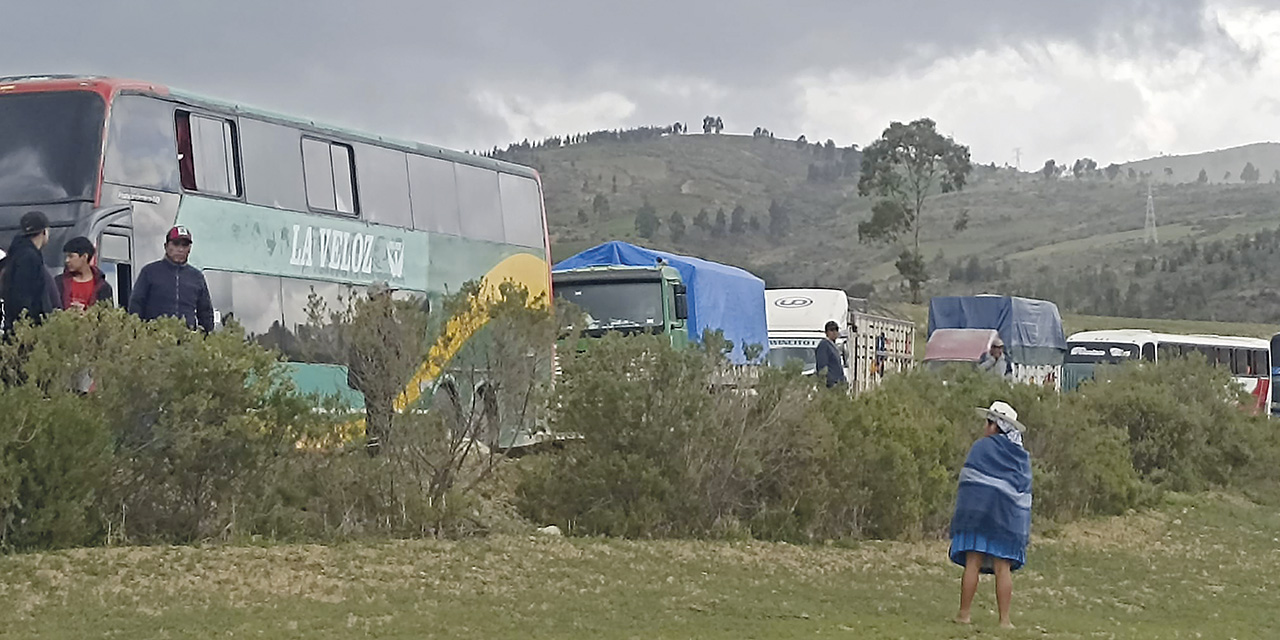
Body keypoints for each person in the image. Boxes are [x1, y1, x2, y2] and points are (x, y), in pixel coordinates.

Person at [950, 401, 1033, 629]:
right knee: (1002, 567)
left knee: (973, 562)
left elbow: (969, 480)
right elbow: (1021, 491)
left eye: (988, 423)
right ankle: (1004, 620)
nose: (985, 428)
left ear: (996, 425)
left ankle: (964, 614)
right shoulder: (1019, 457)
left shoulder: (981, 448)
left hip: (978, 518)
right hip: (1006, 520)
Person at [128, 225, 214, 332]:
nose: (180, 249)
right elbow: (136, 305)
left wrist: (205, 336)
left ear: (189, 249)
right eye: (176, 244)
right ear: (166, 246)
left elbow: (205, 312)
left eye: (185, 245)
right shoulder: (149, 272)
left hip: (186, 341)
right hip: (154, 338)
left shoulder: (197, 277)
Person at [2, 210, 59, 333]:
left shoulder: (15, 254)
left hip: (15, 327)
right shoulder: (29, 257)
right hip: (26, 331)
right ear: (44, 232)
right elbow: (26, 297)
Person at [55, 236, 114, 311]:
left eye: (71, 256)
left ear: (84, 257)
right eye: (66, 257)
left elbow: (107, 317)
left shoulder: (103, 287)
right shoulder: (59, 283)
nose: (67, 260)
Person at [814, 320, 847, 389]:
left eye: (836, 329)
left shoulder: (834, 346)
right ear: (826, 332)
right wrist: (829, 382)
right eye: (831, 330)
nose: (834, 332)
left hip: (838, 383)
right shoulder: (824, 345)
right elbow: (822, 366)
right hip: (830, 385)